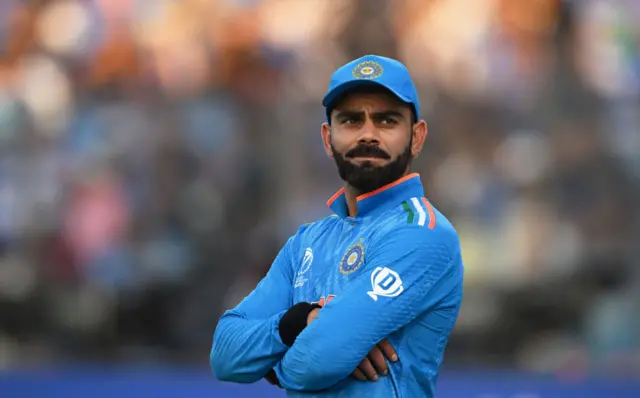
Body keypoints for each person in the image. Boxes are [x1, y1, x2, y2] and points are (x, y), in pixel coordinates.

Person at [210, 54, 464, 397]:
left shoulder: (424, 233)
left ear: (417, 137)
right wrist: (298, 322)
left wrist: (272, 364)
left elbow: (315, 362)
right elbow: (224, 355)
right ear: (328, 138)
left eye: (387, 121)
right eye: (351, 121)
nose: (368, 135)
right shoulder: (307, 242)